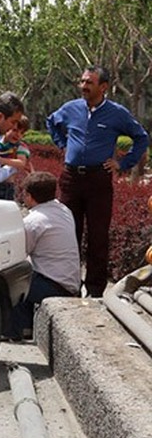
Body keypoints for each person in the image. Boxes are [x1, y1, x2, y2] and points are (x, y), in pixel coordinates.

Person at [46, 65, 150, 297]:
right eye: (82, 81)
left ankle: (95, 290)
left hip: (98, 181)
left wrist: (123, 163)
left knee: (98, 236)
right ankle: (68, 286)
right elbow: (51, 122)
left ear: (103, 87)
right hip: (71, 179)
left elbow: (141, 137)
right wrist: (63, 146)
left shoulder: (117, 113)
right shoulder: (71, 109)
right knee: (68, 233)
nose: (83, 86)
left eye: (89, 83)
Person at [4, 171, 81, 341]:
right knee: (30, 272)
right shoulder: (64, 210)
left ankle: (11, 331)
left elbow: (18, 253)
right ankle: (27, 327)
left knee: (11, 278)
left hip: (53, 286)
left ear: (30, 196)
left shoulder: (34, 221)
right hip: (71, 284)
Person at [0, 114, 31, 201]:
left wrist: (2, 161)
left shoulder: (20, 147)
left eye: (22, 133)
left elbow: (21, 163)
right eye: (15, 130)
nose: (18, 135)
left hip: (6, 186)